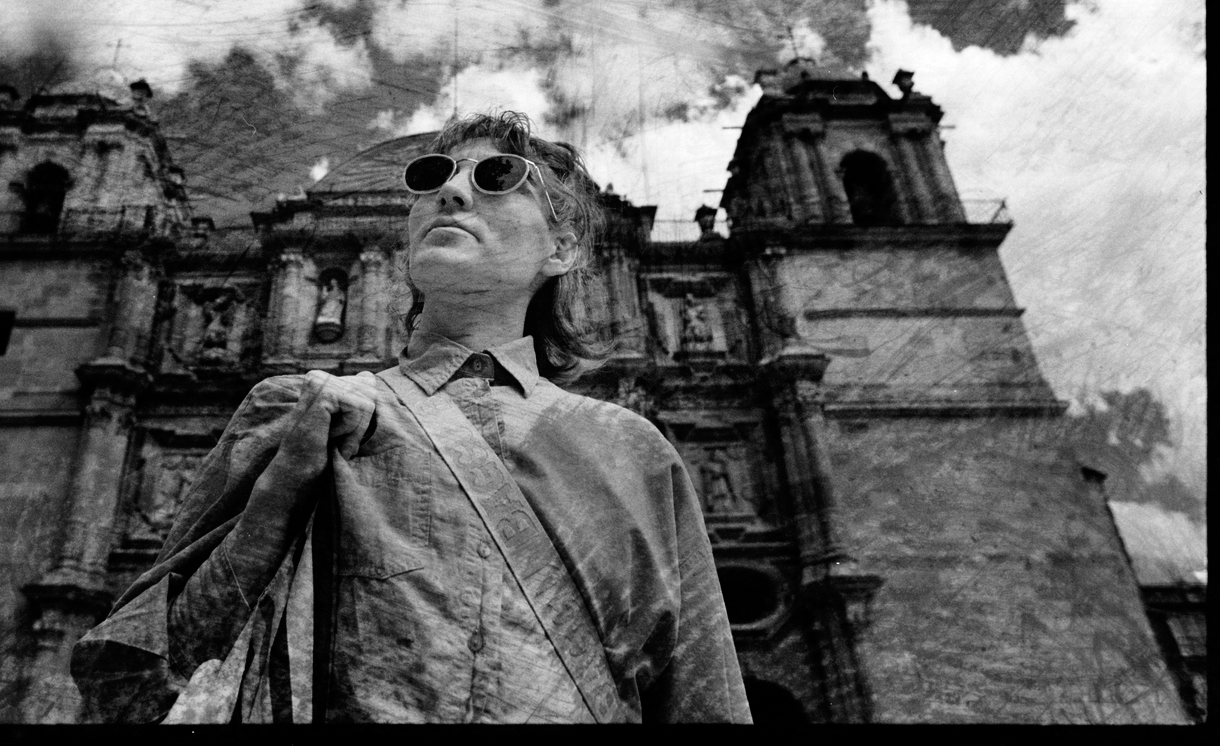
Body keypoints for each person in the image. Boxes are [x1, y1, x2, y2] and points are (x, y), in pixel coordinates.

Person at [70, 111, 751, 724]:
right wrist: (277, 500)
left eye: (497, 178)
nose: (452, 193)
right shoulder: (291, 411)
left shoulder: (633, 449)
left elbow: (703, 695)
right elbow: (129, 680)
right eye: (432, 180)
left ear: (562, 249)